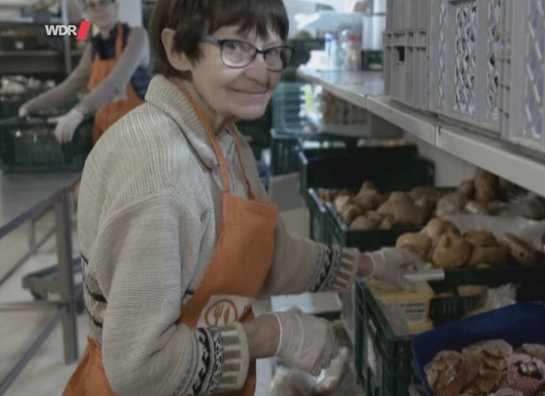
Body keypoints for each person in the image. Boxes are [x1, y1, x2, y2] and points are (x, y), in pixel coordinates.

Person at [62, 0, 421, 395]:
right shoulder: (163, 176)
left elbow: (264, 258)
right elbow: (140, 366)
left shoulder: (222, 137)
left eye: (272, 51)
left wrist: (368, 265)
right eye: (235, 47)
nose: (262, 72)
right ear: (177, 50)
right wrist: (271, 335)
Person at [19, 0, 151, 145]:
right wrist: (30, 106)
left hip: (138, 135)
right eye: (92, 5)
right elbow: (70, 86)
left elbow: (115, 83)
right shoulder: (93, 48)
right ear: (87, 13)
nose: (98, 9)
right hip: (105, 138)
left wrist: (78, 112)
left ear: (116, 6)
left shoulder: (137, 36)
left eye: (104, 3)